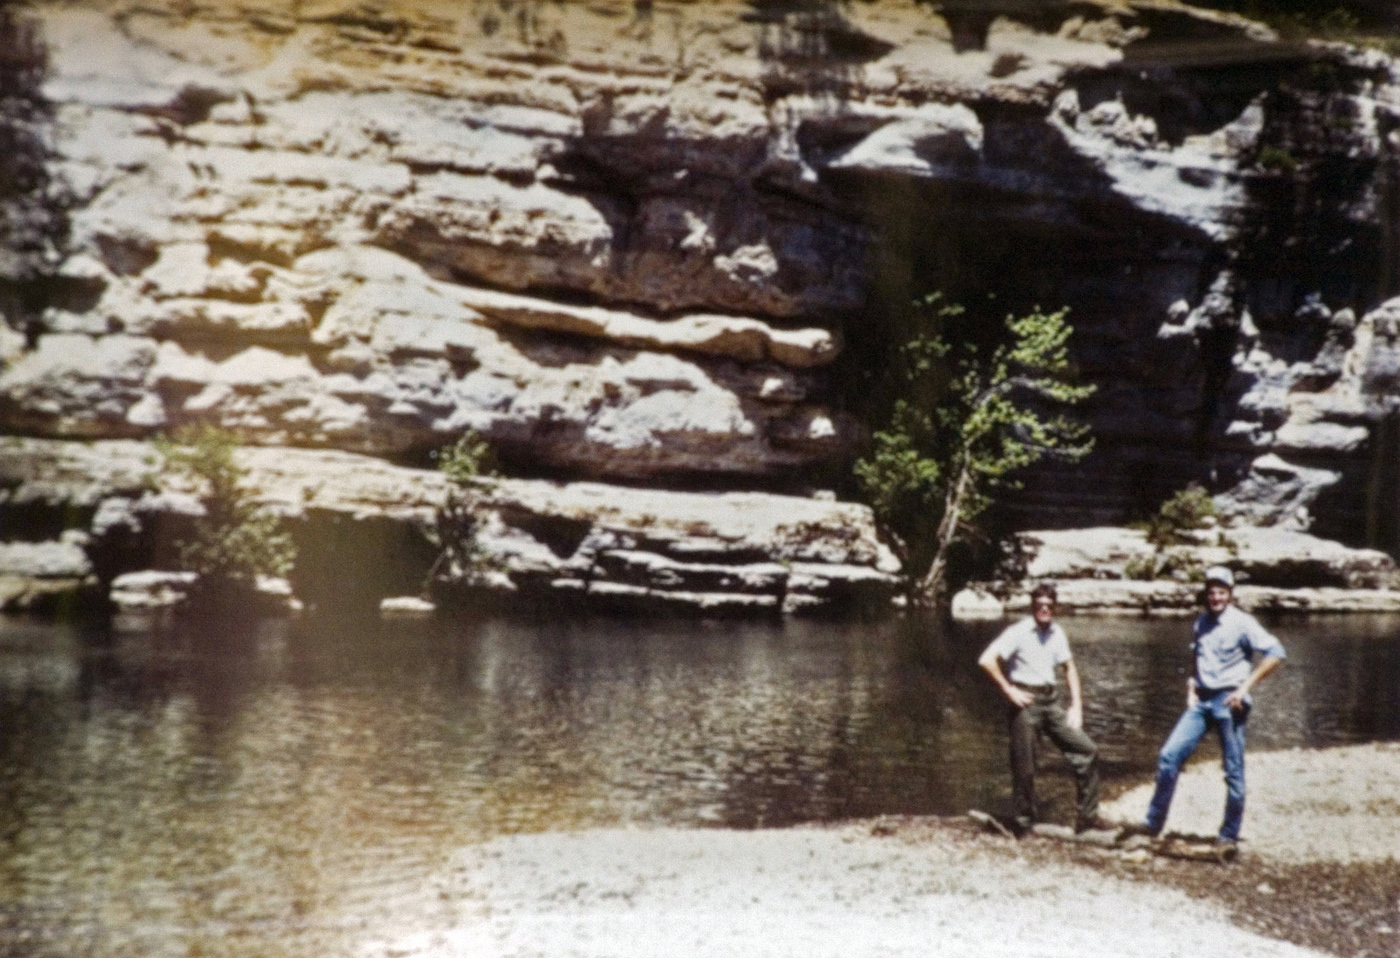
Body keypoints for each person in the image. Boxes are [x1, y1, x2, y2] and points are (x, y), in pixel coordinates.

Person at [1132, 565, 1286, 847]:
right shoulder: (1200, 622)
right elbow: (1197, 654)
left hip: (1230, 702)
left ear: (1230, 595)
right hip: (1202, 701)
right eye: (1211, 592)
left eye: (1221, 592)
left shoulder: (1243, 622)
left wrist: (1244, 688)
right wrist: (1191, 685)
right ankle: (1152, 823)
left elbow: (1276, 653)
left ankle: (1228, 835)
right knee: (1169, 756)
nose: (1215, 597)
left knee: (1233, 770)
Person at [978, 582, 1106, 834]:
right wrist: (1008, 689)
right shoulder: (1019, 631)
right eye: (1040, 605)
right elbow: (986, 659)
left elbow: (1069, 668)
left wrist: (1077, 705)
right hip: (1026, 703)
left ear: (1054, 607)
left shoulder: (1057, 632)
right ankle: (1024, 822)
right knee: (1024, 766)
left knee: (1087, 751)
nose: (1044, 609)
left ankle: (1087, 820)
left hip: (1051, 702)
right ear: (1033, 605)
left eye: (1049, 605)